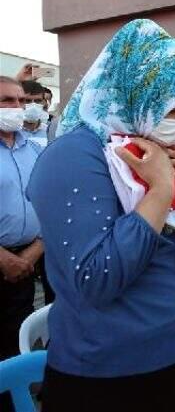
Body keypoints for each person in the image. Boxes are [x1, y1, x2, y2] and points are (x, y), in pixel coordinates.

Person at [27, 19, 175, 412]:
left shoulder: (159, 147)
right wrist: (161, 192)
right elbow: (97, 278)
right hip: (118, 375)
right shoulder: (75, 156)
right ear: (140, 92)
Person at [0, 76, 43, 412]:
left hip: (28, 259)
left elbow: (48, 203)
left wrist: (32, 253)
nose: (16, 107)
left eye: (19, 100)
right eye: (6, 101)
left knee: (17, 336)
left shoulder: (35, 148)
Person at [20, 80, 49, 148]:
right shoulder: (10, 132)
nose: (33, 105)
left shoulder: (50, 131)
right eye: (27, 101)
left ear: (44, 102)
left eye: (38, 101)